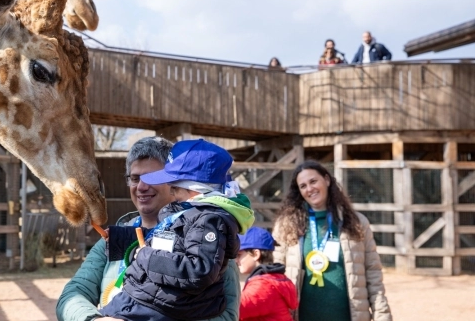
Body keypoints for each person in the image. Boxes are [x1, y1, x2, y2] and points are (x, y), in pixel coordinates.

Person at [56, 137, 242, 321]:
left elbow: (227, 315)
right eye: (135, 178)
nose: (142, 187)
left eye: (152, 178)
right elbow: (72, 295)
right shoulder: (114, 240)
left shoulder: (208, 239)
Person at [273, 160, 392, 321]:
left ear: (327, 180)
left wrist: (382, 315)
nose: (310, 189)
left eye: (313, 181)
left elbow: (373, 274)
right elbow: (275, 275)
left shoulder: (357, 222)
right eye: (303, 186)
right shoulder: (286, 226)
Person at [237, 227, 298, 321]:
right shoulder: (272, 278)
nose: (236, 261)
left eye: (239, 255)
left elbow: (234, 309)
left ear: (256, 254)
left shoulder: (264, 285)